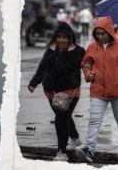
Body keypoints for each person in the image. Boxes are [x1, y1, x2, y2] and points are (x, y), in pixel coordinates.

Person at [76, 17, 118, 163]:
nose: (100, 37)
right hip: (98, 90)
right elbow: (85, 63)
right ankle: (89, 148)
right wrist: (88, 74)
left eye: (103, 33)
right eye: (98, 34)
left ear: (109, 31)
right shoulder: (92, 47)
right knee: (95, 119)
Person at [27, 22, 86, 161]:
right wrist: (34, 82)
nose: (61, 40)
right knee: (64, 117)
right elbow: (42, 67)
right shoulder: (51, 49)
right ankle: (75, 138)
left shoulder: (79, 51)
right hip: (50, 90)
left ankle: (62, 152)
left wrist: (93, 76)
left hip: (69, 90)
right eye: (58, 37)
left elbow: (88, 67)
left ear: (70, 38)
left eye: (64, 37)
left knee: (60, 118)